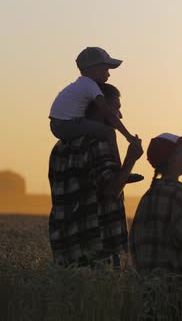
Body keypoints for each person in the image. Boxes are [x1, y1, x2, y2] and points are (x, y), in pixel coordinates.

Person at [48, 87, 144, 268]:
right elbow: (110, 190)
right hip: (96, 247)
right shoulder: (97, 144)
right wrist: (130, 160)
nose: (120, 115)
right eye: (116, 108)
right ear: (102, 109)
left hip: (65, 248)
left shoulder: (60, 147)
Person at [129, 132, 182, 318]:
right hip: (173, 286)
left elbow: (134, 240)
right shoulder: (180, 196)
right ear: (171, 159)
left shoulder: (147, 196)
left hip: (146, 285)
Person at [48, 46, 143, 182]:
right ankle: (118, 171)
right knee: (109, 132)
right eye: (106, 70)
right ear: (93, 69)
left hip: (58, 125)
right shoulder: (90, 86)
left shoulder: (80, 85)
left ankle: (118, 171)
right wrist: (128, 136)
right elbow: (108, 114)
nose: (108, 74)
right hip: (67, 124)